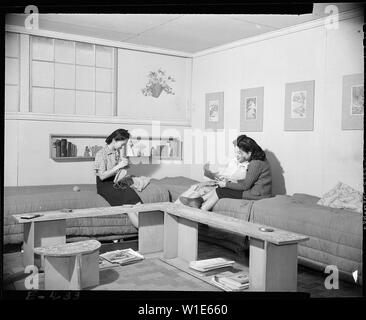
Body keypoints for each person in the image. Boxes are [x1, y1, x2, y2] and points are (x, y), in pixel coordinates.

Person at [180, 135, 272, 211]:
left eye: (242, 153)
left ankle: (201, 209)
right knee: (220, 188)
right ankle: (197, 202)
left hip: (257, 195)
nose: (240, 155)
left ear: (250, 152)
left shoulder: (255, 163)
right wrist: (228, 182)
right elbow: (250, 180)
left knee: (221, 191)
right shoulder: (260, 159)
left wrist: (226, 184)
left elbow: (245, 186)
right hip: (257, 191)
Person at [94, 129, 142, 207]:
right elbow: (102, 176)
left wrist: (124, 165)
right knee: (128, 205)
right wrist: (119, 165)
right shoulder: (101, 154)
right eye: (122, 144)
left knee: (137, 202)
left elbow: (118, 171)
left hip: (116, 182)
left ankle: (144, 219)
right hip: (105, 185)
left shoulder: (117, 152)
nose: (122, 147)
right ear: (114, 140)